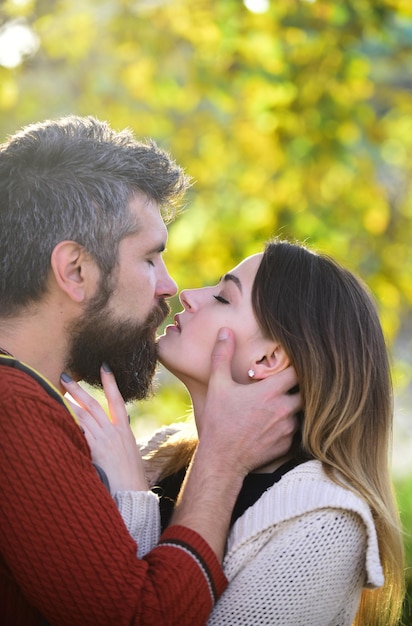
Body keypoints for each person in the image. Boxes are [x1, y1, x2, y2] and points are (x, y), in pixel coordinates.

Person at [0, 116, 300, 625]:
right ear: (75, 270)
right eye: (150, 258)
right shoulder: (14, 410)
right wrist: (222, 462)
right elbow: (146, 618)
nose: (170, 286)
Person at [65, 239, 405, 625]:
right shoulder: (162, 455)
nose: (189, 295)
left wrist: (131, 498)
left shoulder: (326, 522)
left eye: (223, 298)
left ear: (267, 359)